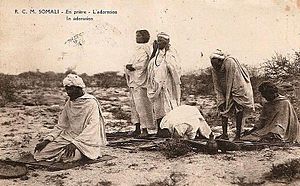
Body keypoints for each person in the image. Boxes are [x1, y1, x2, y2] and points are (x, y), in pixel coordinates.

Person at [34, 74, 107, 162]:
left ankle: (80, 153)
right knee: (40, 153)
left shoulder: (91, 103)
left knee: (68, 157)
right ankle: (65, 152)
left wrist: (75, 143)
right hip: (68, 137)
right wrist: (47, 140)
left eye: (71, 89)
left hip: (86, 141)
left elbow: (93, 127)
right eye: (67, 89)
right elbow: (61, 125)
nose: (68, 92)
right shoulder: (69, 102)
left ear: (79, 88)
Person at [211, 49, 254, 141]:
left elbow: (232, 80)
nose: (215, 67)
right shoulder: (214, 68)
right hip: (226, 89)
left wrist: (229, 97)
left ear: (220, 61)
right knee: (222, 107)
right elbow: (216, 85)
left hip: (238, 88)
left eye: (216, 64)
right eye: (213, 64)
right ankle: (224, 134)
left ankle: (238, 135)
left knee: (239, 109)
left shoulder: (230, 62)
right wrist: (221, 98)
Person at [147, 32, 181, 136]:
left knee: (167, 106)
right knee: (158, 108)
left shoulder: (171, 53)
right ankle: (160, 129)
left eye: (161, 41)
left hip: (167, 85)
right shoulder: (157, 53)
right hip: (157, 86)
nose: (159, 43)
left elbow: (176, 69)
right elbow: (151, 65)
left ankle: (168, 129)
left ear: (167, 42)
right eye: (158, 40)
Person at [125, 30, 156, 137]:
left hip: (140, 82)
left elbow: (144, 64)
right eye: (136, 35)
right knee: (135, 106)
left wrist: (132, 67)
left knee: (142, 106)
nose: (136, 37)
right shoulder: (137, 49)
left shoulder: (146, 49)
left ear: (145, 37)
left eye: (138, 36)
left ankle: (145, 130)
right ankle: (137, 127)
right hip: (133, 81)